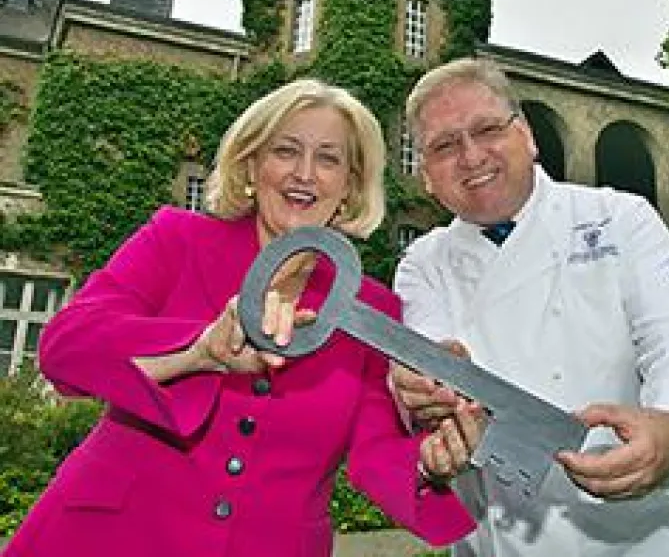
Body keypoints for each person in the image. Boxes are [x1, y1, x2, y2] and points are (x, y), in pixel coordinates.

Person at [6, 78, 478, 557]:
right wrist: (197, 353)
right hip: (107, 538)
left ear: (350, 186)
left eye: (329, 159)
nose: (305, 174)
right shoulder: (176, 240)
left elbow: (378, 447)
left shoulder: (372, 310)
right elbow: (66, 347)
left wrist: (426, 464)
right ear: (251, 164)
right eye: (286, 151)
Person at [391, 57, 669, 556]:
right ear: (426, 175)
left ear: (527, 136)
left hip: (641, 537)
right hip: (501, 538)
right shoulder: (423, 263)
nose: (471, 157)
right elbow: (425, 362)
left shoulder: (621, 219)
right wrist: (425, 385)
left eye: (487, 129)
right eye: (444, 146)